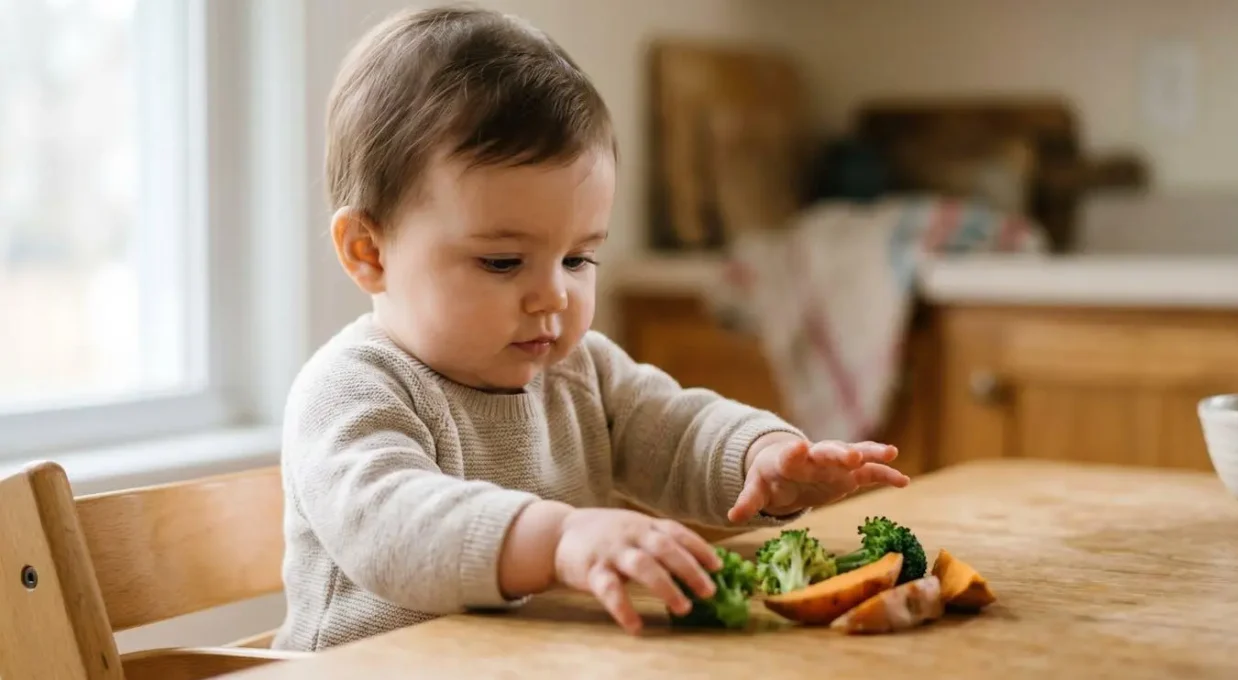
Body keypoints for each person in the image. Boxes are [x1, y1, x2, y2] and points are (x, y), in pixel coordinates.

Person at [272, 5, 910, 652]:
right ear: (368, 251)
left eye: (578, 258)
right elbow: (391, 529)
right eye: (502, 261)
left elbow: (679, 427)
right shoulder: (351, 390)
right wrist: (560, 538)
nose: (553, 294)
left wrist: (762, 457)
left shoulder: (579, 371)